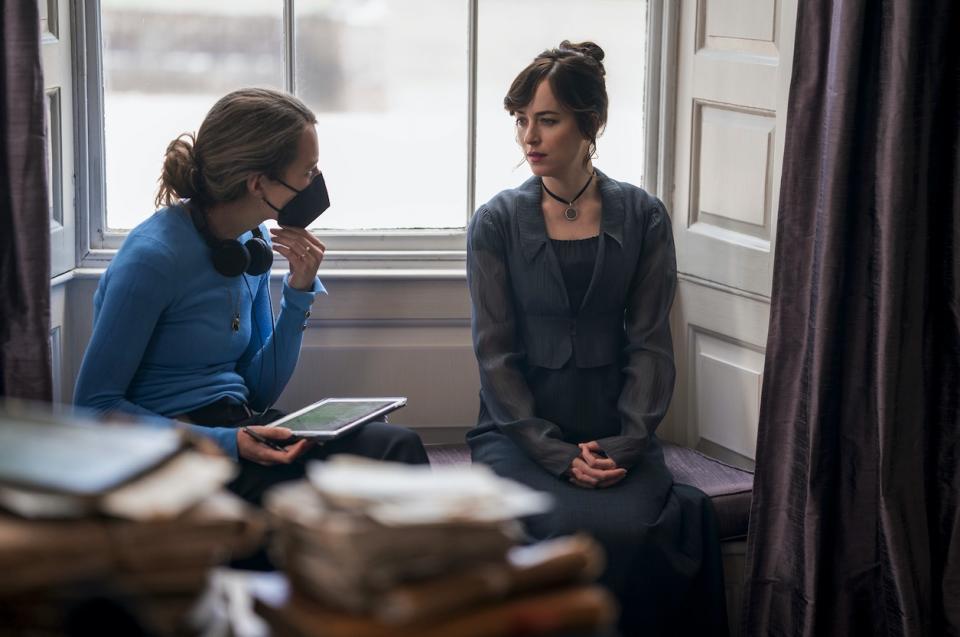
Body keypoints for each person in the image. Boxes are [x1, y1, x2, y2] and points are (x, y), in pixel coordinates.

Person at [466, 42, 728, 636]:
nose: (528, 137)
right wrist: (556, 455)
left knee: (638, 528)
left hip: (617, 430)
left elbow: (652, 345)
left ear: (592, 124)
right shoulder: (497, 221)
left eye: (548, 120)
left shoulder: (643, 215)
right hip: (520, 433)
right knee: (558, 529)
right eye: (521, 120)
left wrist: (628, 443)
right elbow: (494, 355)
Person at [75, 88, 428, 506]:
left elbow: (258, 393)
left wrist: (297, 294)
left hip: (243, 425)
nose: (317, 182)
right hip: (179, 452)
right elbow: (94, 409)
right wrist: (228, 443)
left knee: (396, 447)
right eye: (308, 172)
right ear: (259, 183)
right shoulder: (152, 259)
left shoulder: (252, 242)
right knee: (321, 503)